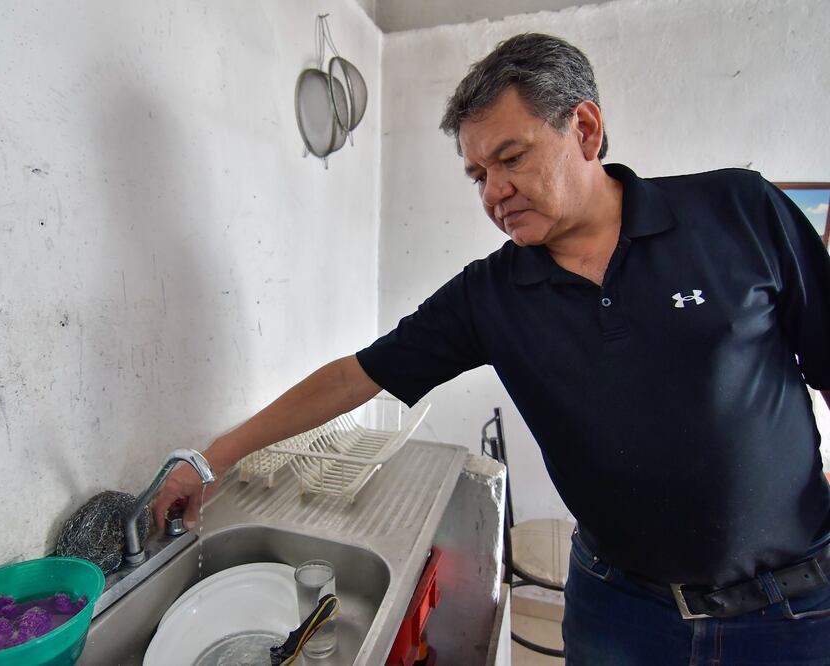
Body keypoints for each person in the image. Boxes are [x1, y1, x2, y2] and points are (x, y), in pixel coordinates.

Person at [153, 33, 830, 663]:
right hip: (622, 613)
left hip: (795, 609)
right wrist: (208, 462)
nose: (494, 193)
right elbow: (355, 377)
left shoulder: (738, 211)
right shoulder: (492, 294)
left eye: (511, 158)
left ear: (585, 130)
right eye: (478, 174)